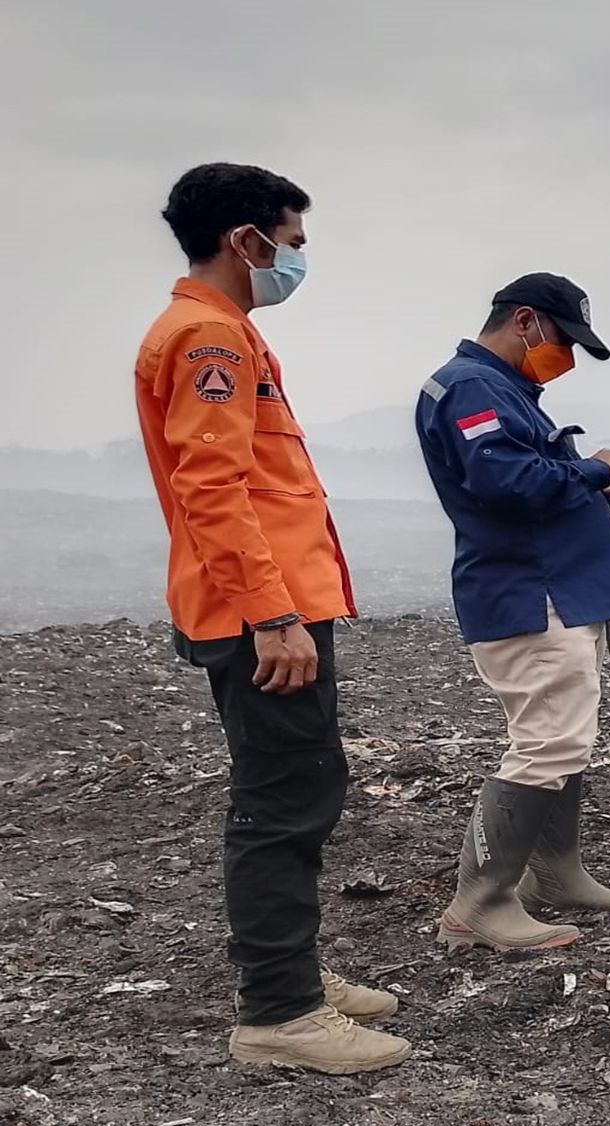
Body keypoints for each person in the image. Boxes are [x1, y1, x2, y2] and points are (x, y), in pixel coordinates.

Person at [134, 163, 409, 1074]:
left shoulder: (221, 333)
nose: (296, 259)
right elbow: (211, 486)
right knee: (284, 800)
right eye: (290, 243)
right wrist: (273, 615)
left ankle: (292, 971)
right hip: (260, 614)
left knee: (297, 784)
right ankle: (279, 1013)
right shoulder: (211, 340)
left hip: (265, 604)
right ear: (243, 240)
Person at [415, 274, 610, 952]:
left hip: (552, 583)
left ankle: (556, 870)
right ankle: (480, 903)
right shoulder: (472, 388)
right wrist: (596, 469)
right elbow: (505, 483)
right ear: (525, 321)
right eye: (562, 339)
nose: (566, 357)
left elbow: (531, 487)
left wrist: (603, 485)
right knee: (548, 740)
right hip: (528, 589)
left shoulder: (500, 389)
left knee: (564, 735)